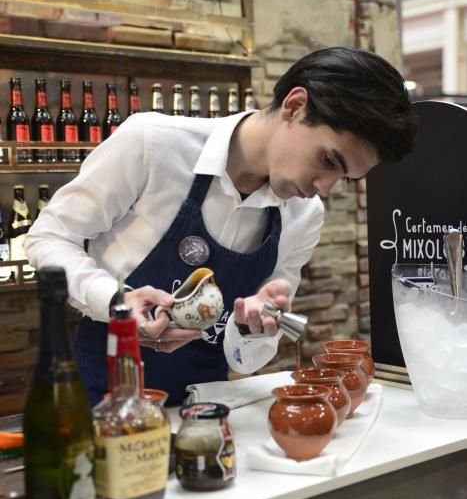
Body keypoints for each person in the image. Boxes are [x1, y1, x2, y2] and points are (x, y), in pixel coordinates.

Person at [25, 47, 418, 406]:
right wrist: (115, 303)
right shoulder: (153, 146)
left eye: (344, 178)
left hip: (207, 411)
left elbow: (244, 360)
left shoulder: (303, 215)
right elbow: (48, 237)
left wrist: (254, 329)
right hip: (102, 400)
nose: (325, 189)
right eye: (329, 161)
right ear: (295, 106)